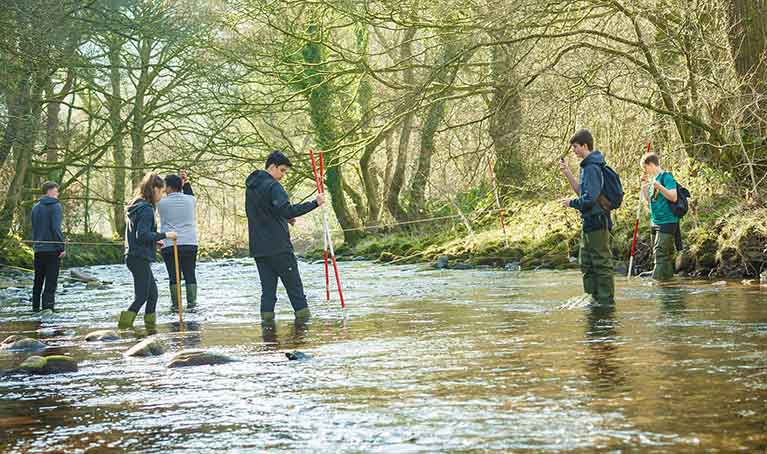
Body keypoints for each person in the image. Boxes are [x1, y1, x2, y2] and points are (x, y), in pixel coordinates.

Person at [245, 151, 325, 323]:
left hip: (259, 248)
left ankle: (267, 336)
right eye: (282, 171)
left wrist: (284, 216)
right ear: (272, 166)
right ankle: (303, 333)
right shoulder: (273, 186)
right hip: (279, 247)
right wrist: (315, 203)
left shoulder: (251, 187)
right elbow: (287, 209)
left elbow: (265, 211)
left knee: (268, 292)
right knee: (295, 289)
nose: (282, 176)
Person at [558, 129, 615, 305]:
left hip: (597, 221)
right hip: (590, 222)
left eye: (575, 146)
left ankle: (605, 301)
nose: (573, 150)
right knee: (587, 263)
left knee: (601, 263)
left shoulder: (591, 167)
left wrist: (571, 203)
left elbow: (589, 199)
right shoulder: (587, 166)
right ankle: (592, 298)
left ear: (584, 145)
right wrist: (567, 172)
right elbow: (583, 192)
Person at [118, 172, 177, 330]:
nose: (161, 196)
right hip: (138, 257)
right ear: (154, 189)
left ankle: (150, 329)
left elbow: (140, 235)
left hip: (135, 256)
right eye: (161, 192)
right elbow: (142, 235)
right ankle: (123, 327)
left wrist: (154, 241)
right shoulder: (145, 209)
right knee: (142, 296)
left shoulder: (137, 205)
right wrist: (165, 235)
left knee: (152, 295)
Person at [158, 171, 198, 310]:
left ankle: (176, 306)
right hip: (189, 243)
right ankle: (192, 305)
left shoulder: (161, 203)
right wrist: (185, 182)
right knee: (190, 274)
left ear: (168, 187)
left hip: (169, 243)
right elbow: (189, 193)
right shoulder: (191, 200)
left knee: (173, 276)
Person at [640, 152, 680, 281]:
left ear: (651, 165)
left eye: (645, 168)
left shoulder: (666, 177)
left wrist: (660, 187)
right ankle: (668, 280)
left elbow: (673, 197)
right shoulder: (653, 180)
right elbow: (648, 200)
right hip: (655, 221)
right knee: (658, 252)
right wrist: (645, 185)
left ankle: (657, 280)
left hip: (668, 220)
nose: (645, 171)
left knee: (660, 252)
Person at [30, 181, 65, 313]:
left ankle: (35, 308)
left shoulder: (35, 207)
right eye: (56, 191)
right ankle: (48, 309)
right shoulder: (56, 206)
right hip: (52, 251)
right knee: (50, 282)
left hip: (38, 250)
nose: (58, 193)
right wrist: (61, 247)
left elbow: (35, 229)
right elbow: (56, 228)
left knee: (38, 281)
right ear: (49, 191)